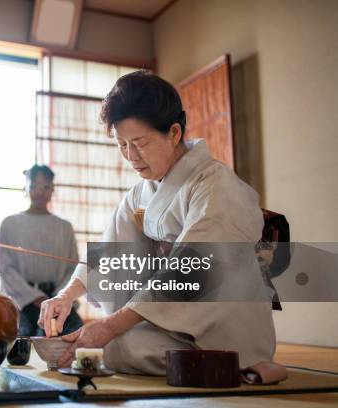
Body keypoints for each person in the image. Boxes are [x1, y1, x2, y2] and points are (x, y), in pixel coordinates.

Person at [38, 71, 276, 375]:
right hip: (170, 323)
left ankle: (239, 362)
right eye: (122, 144)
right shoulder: (141, 192)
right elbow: (110, 252)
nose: (130, 156)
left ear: (174, 133)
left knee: (117, 347)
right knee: (110, 346)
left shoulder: (215, 185)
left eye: (139, 143)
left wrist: (109, 327)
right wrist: (66, 295)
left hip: (223, 328)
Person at [0, 165, 83, 336]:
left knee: (78, 337)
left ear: (53, 189)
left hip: (59, 300)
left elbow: (73, 269)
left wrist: (59, 297)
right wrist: (36, 298)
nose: (39, 192)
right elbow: (6, 270)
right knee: (19, 343)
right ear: (25, 188)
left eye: (45, 187)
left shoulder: (64, 227)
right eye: (33, 186)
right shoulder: (9, 223)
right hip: (22, 302)